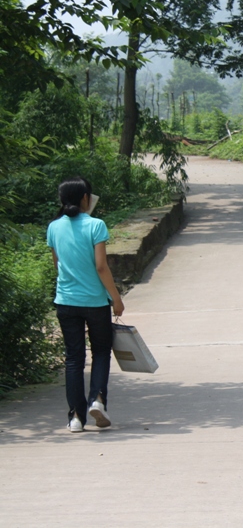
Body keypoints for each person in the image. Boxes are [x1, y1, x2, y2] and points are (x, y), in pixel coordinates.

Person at [47, 177, 124, 433]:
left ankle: (76, 418)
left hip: (66, 302)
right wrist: (116, 298)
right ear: (85, 198)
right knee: (101, 352)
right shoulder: (96, 225)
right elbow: (101, 267)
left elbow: (57, 265)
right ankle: (98, 401)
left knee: (73, 359)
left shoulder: (54, 228)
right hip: (94, 302)